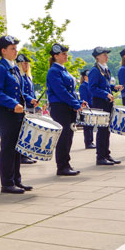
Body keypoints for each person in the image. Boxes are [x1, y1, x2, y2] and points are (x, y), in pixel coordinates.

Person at [0, 36, 37, 194]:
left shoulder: (14, 68)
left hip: (17, 113)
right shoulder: (0, 68)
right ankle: (7, 183)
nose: (16, 51)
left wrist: (30, 100)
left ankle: (17, 180)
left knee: (18, 148)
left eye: (16, 48)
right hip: (6, 113)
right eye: (12, 48)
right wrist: (13, 104)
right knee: (8, 148)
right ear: (3, 51)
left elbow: (20, 91)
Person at [46, 44, 86, 176]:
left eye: (66, 53)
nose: (66, 55)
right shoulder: (54, 71)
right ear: (55, 56)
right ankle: (62, 166)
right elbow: (61, 91)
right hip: (60, 107)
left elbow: (71, 91)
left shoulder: (63, 70)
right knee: (63, 137)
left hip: (67, 106)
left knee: (68, 136)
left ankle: (66, 164)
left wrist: (78, 102)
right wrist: (75, 104)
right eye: (63, 54)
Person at [88, 47, 124, 166]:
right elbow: (92, 88)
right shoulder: (94, 70)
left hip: (107, 102)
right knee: (102, 130)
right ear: (97, 57)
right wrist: (106, 94)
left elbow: (105, 85)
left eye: (106, 54)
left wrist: (114, 88)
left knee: (106, 130)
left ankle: (106, 154)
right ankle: (100, 156)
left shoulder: (105, 69)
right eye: (104, 55)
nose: (106, 56)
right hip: (100, 103)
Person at [16, 53, 38, 164]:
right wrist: (30, 99)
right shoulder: (20, 76)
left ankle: (26, 155)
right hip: (24, 105)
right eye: (24, 63)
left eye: (27, 64)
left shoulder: (27, 76)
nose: (26, 66)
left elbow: (31, 92)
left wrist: (35, 100)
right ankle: (22, 156)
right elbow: (22, 92)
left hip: (29, 106)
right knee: (23, 132)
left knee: (28, 132)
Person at [79, 69, 95, 149]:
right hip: (87, 108)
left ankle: (91, 141)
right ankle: (88, 142)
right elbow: (84, 98)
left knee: (91, 125)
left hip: (91, 107)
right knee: (87, 126)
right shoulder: (83, 86)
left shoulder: (89, 85)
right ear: (85, 77)